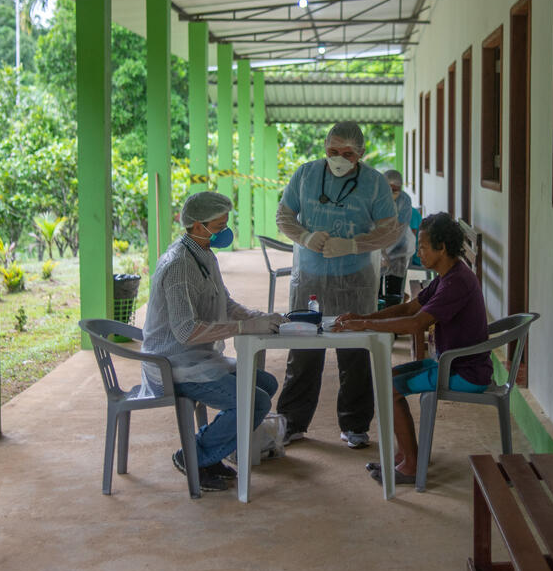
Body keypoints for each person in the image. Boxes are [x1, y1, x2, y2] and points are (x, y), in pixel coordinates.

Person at [140, 191, 285, 492]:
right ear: (196, 225)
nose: (224, 231)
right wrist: (243, 327)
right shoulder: (179, 265)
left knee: (266, 384)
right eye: (218, 226)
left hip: (197, 360)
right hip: (174, 365)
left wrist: (260, 316)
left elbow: (225, 302)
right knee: (255, 401)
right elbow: (185, 332)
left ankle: (213, 446)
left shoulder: (202, 253)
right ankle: (195, 456)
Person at [334, 212, 491, 484]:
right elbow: (409, 307)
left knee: (388, 387)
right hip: (452, 362)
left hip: (466, 372)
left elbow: (415, 323)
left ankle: (410, 466)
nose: (419, 253)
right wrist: (364, 318)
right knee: (389, 379)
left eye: (423, 247)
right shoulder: (447, 276)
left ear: (442, 248)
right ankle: (407, 456)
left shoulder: (456, 283)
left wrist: (364, 326)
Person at [274, 121, 403, 449]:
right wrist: (304, 236)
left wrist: (354, 244)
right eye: (333, 151)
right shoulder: (305, 175)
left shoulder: (374, 184)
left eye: (348, 153)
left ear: (361, 153)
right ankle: (291, 422)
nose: (339, 159)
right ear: (325, 147)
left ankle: (355, 425)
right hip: (310, 278)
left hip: (355, 279)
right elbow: (284, 216)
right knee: (303, 350)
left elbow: (391, 230)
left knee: (356, 351)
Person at [379, 169, 420, 310]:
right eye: (389, 189)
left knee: (394, 288)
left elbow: (399, 230)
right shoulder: (375, 198)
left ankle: (392, 314)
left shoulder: (405, 200)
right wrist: (380, 252)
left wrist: (387, 252)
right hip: (375, 244)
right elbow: (370, 226)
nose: (392, 193)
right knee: (375, 286)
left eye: (396, 189)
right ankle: (376, 312)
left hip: (399, 247)